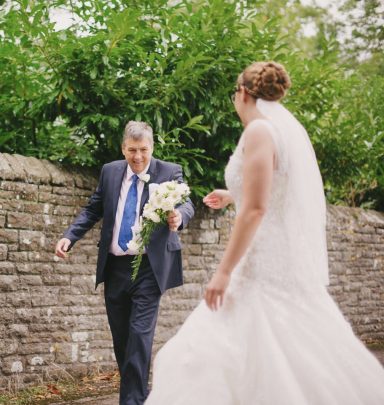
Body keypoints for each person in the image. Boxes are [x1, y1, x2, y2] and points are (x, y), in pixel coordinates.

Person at [145, 62, 384, 404]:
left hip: (261, 260)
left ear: (242, 92)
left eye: (234, 93)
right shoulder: (276, 131)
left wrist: (223, 272)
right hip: (278, 255)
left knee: (225, 344)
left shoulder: (259, 131)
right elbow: (271, 191)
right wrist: (232, 196)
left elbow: (257, 209)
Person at [55, 121, 194, 405]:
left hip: (149, 269)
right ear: (123, 148)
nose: (138, 157)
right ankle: (139, 395)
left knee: (140, 338)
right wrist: (70, 236)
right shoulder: (110, 172)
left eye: (143, 150)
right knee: (122, 340)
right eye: (132, 150)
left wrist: (179, 217)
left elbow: (186, 202)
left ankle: (131, 402)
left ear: (151, 147)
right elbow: (94, 208)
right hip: (116, 268)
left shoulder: (168, 171)